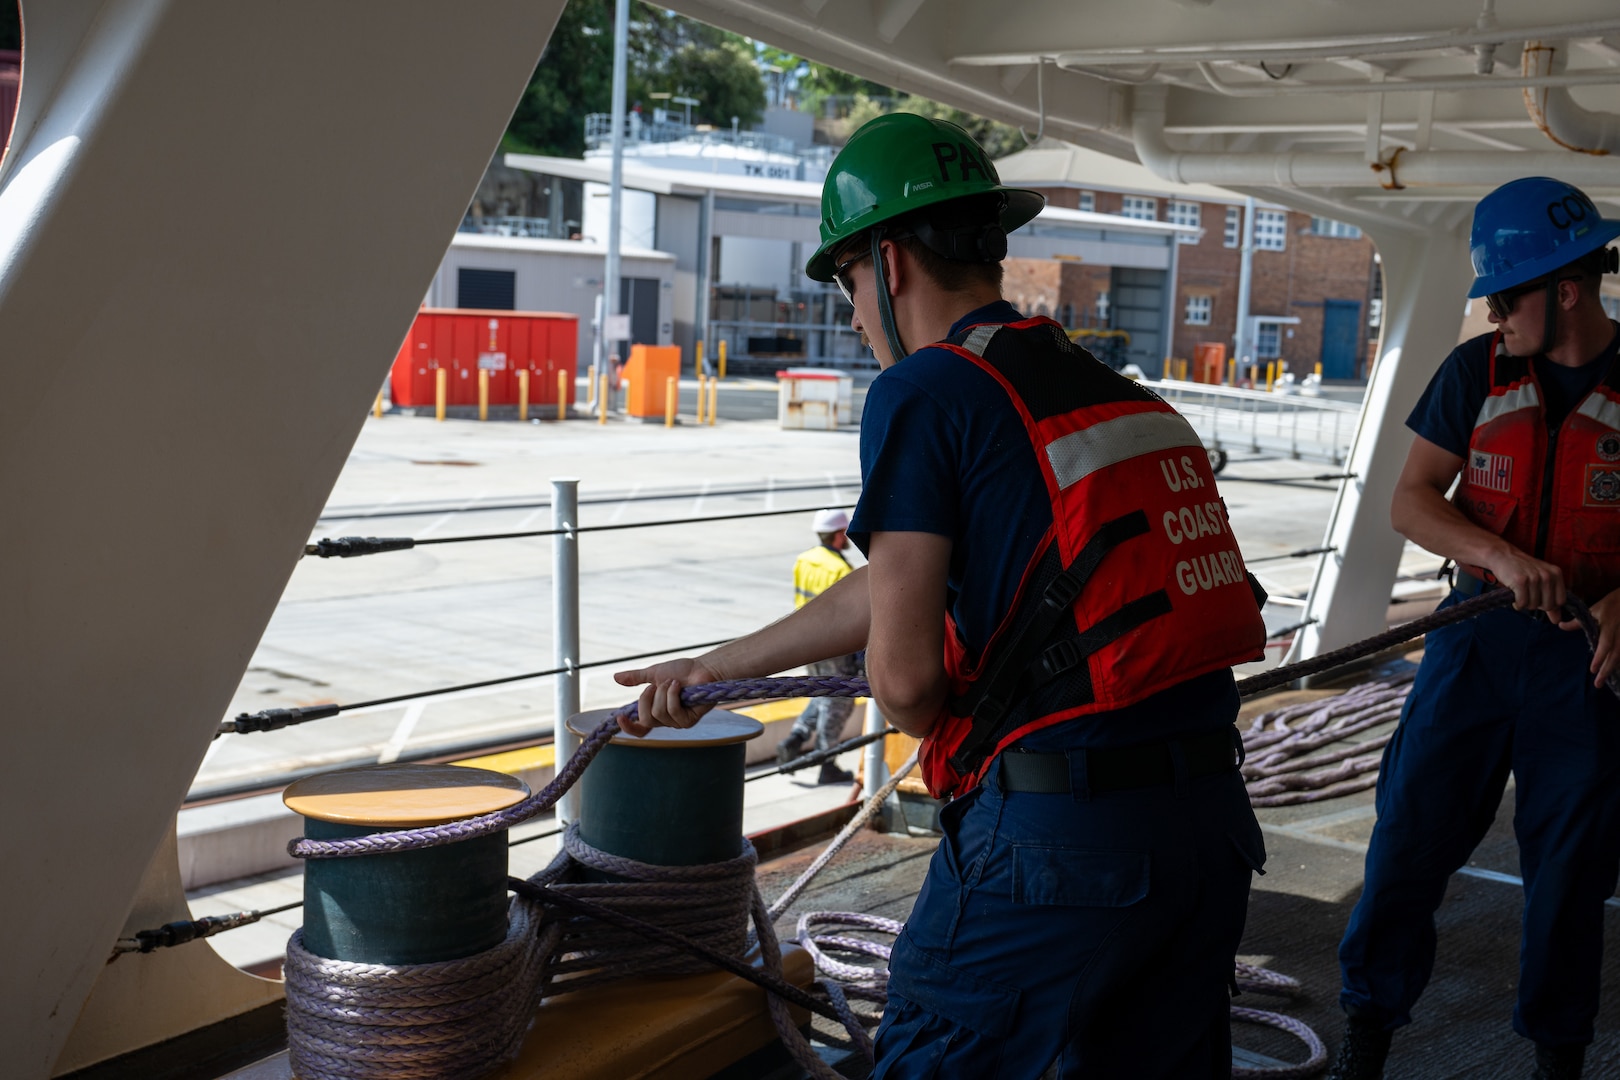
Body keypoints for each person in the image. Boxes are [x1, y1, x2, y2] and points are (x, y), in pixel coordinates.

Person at [615, 112, 1268, 1078]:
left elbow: (908, 684)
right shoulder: (1108, 390)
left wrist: (933, 703)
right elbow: (890, 586)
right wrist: (716, 671)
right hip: (1206, 830)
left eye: (846, 282)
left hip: (1059, 847)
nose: (851, 312)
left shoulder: (928, 390)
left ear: (889, 261)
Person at [1328, 177, 1620, 1080]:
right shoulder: (1473, 372)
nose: (1495, 314)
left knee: (1570, 873)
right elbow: (1411, 500)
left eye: (1505, 296)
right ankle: (1366, 1037)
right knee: (1409, 838)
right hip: (1475, 642)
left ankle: (1558, 1061)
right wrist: (1496, 558)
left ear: (1564, 289)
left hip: (1591, 665)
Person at [778, 508, 862, 785]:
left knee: (822, 695)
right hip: (833, 646)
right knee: (838, 703)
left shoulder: (805, 560)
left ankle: (796, 737)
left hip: (806, 642)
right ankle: (827, 762)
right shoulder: (840, 568)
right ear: (840, 535)